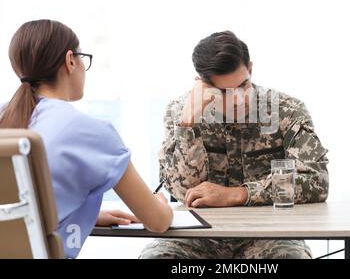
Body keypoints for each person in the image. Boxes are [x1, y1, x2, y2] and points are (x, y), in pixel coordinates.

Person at [139, 31, 329, 259]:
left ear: (250, 68)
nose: (239, 99)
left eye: (243, 85)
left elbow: (317, 181)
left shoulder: (286, 110)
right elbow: (181, 191)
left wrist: (238, 194)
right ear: (202, 84)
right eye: (224, 92)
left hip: (269, 235)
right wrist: (188, 123)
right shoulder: (179, 112)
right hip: (198, 236)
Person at [0, 19, 173, 258]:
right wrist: (162, 203)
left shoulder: (5, 115)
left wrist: (82, 215)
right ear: (70, 60)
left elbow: (15, 207)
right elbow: (157, 221)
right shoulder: (90, 131)